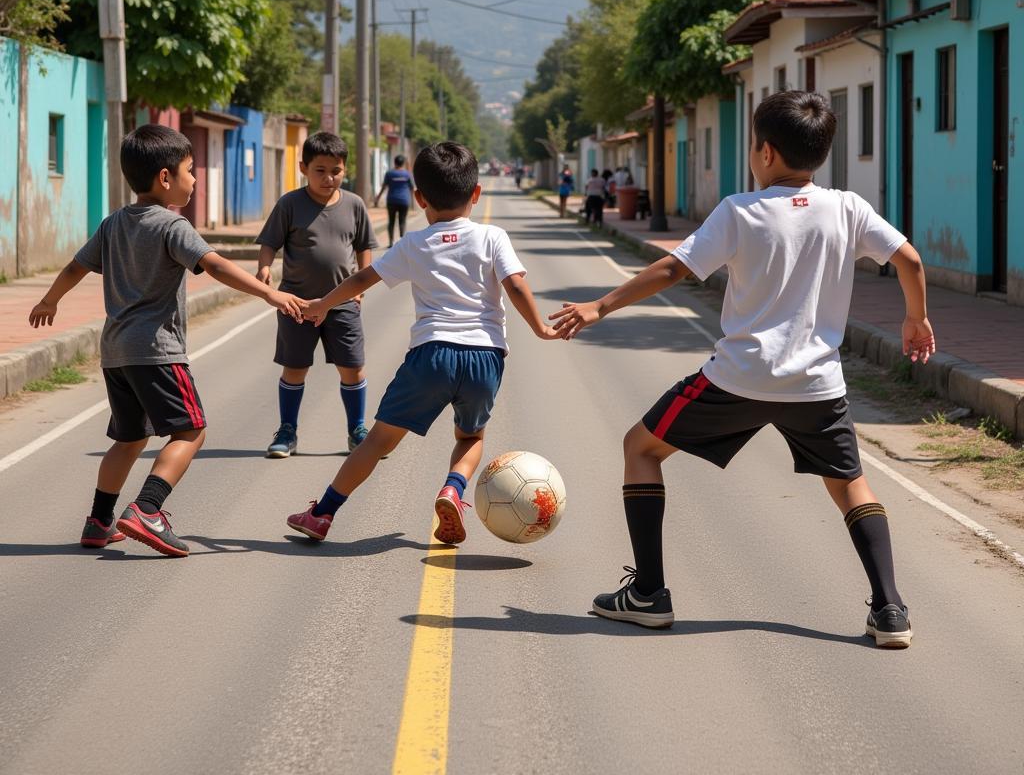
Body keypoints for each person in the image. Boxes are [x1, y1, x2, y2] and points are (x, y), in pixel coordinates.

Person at [552, 90, 934, 648]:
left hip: (738, 378)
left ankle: (649, 594)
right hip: (816, 385)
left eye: (755, 145)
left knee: (640, 447)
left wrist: (598, 306)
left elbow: (673, 269)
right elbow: (910, 259)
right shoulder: (848, 207)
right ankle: (891, 610)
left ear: (766, 152)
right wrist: (915, 320)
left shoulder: (740, 211)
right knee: (850, 485)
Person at [28, 125, 307, 557]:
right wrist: (269, 292)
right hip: (158, 351)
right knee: (191, 431)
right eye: (189, 171)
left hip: (116, 352)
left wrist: (50, 300)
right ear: (164, 178)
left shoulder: (113, 224)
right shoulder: (171, 225)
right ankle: (148, 509)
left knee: (129, 438)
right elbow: (213, 266)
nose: (194, 179)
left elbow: (74, 267)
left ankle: (100, 521)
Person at [286, 141, 559, 546]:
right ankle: (452, 489)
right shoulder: (492, 236)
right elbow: (515, 284)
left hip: (431, 355)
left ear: (419, 198)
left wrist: (324, 304)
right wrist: (539, 327)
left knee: (378, 440)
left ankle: (322, 514)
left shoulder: (414, 244)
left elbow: (364, 279)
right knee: (469, 437)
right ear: (476, 194)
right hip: (485, 357)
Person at [257, 132, 379, 459]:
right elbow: (270, 242)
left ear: (345, 169)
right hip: (296, 305)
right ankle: (287, 432)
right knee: (295, 368)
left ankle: (357, 430)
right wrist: (265, 269)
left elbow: (364, 245)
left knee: (352, 367)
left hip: (342, 304)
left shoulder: (354, 204)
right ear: (303, 168)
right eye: (320, 170)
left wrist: (360, 288)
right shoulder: (289, 204)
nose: (329, 178)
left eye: (336, 171)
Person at [375, 154, 414, 248]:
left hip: (392, 200)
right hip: (404, 201)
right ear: (403, 163)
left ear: (394, 162)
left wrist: (378, 198)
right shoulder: (407, 174)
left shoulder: (389, 174)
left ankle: (391, 242)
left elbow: (384, 187)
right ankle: (402, 241)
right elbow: (412, 188)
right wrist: (412, 201)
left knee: (391, 221)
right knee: (402, 221)